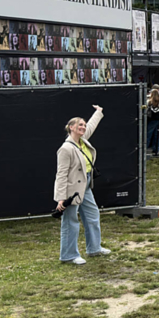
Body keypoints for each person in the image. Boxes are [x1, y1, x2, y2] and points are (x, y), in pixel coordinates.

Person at [54, 105, 110, 264]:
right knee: (70, 221)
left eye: (84, 125)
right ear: (71, 127)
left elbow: (91, 126)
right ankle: (69, 255)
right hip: (72, 190)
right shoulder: (66, 148)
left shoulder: (83, 140)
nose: (83, 127)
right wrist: (61, 198)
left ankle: (94, 248)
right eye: (80, 125)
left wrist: (98, 112)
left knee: (92, 215)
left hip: (85, 185)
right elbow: (61, 174)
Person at [145, 89, 159, 155]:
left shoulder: (149, 102)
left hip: (152, 119)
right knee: (157, 134)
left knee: (148, 134)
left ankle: (145, 148)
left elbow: (146, 110)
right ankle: (156, 149)